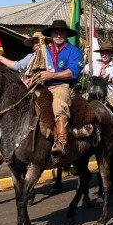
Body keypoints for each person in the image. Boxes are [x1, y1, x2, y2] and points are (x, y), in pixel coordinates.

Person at [39, 20, 84, 157]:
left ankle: (61, 141)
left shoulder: (74, 51)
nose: (58, 35)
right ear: (51, 35)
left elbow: (73, 72)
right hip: (43, 86)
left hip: (63, 86)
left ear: (66, 35)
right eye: (55, 33)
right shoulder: (45, 51)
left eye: (61, 33)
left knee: (59, 103)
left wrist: (52, 75)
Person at [84, 41, 113, 121]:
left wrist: (111, 80)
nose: (104, 55)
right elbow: (81, 69)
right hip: (93, 92)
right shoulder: (93, 64)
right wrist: (85, 54)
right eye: (102, 53)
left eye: (107, 53)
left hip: (110, 92)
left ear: (112, 54)